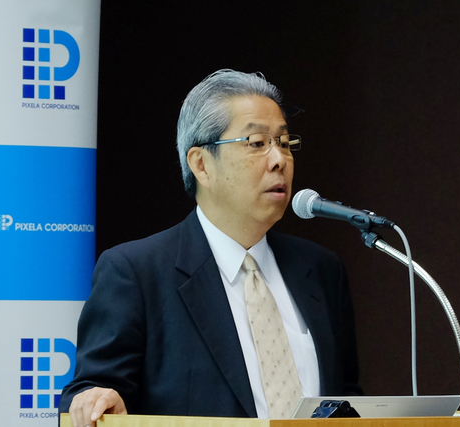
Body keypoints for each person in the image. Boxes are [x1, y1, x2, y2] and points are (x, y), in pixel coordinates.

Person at [59, 69, 361, 427]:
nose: (279, 159)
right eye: (257, 143)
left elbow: (348, 401)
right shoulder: (137, 272)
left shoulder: (321, 270)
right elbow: (92, 393)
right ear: (201, 164)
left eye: (283, 142)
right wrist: (94, 399)